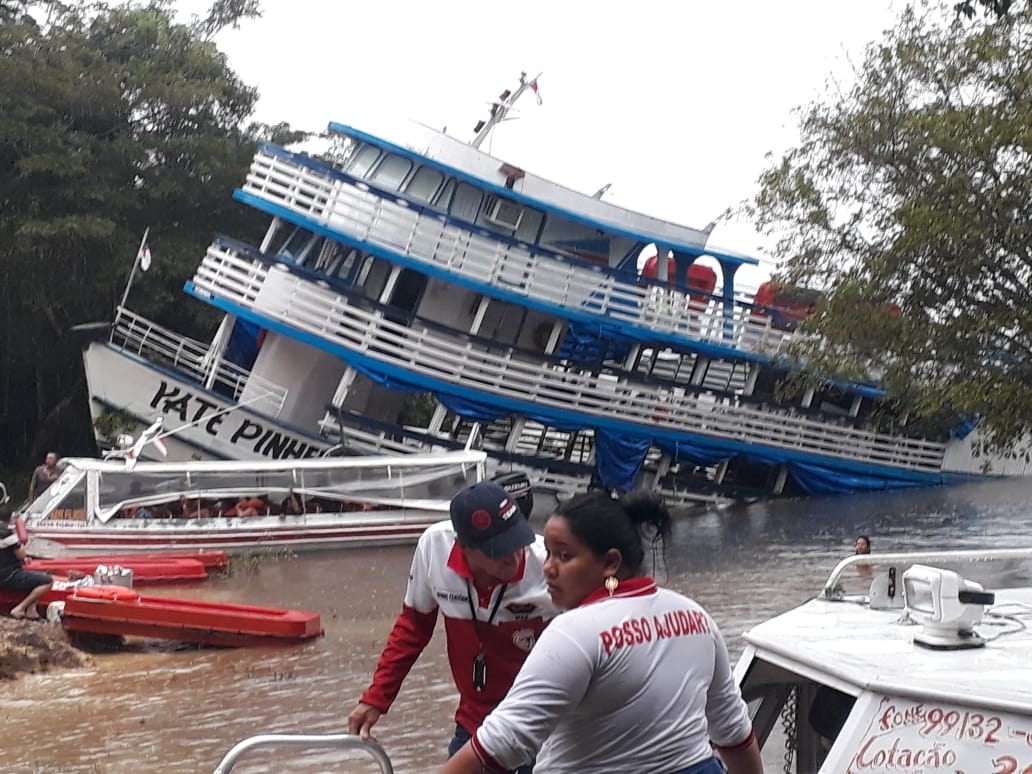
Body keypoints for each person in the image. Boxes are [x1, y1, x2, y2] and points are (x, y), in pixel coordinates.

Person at [438, 490, 764, 774]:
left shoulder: (575, 632)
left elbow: (501, 744)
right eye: (548, 553)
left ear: (610, 563)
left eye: (565, 556)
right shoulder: (696, 617)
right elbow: (734, 733)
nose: (548, 568)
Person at [348, 481, 556, 773]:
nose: (514, 557)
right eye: (499, 551)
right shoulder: (434, 548)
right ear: (463, 546)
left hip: (539, 723)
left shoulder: (547, 563)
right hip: (475, 720)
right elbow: (413, 628)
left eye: (517, 542)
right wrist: (376, 698)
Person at [0, 521, 53, 619]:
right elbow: (21, 554)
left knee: (32, 577)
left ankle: (31, 610)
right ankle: (20, 608)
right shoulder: (5, 534)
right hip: (7, 575)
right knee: (46, 581)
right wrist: (22, 552)